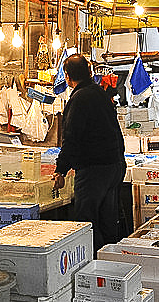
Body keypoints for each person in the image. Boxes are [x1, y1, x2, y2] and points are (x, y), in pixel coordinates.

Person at [53, 54, 126, 249]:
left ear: (67, 76)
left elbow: (71, 138)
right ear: (90, 72)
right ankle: (108, 263)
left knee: (86, 223)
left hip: (94, 170)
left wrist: (60, 169)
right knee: (107, 221)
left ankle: (91, 267)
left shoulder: (78, 99)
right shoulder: (101, 94)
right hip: (114, 166)